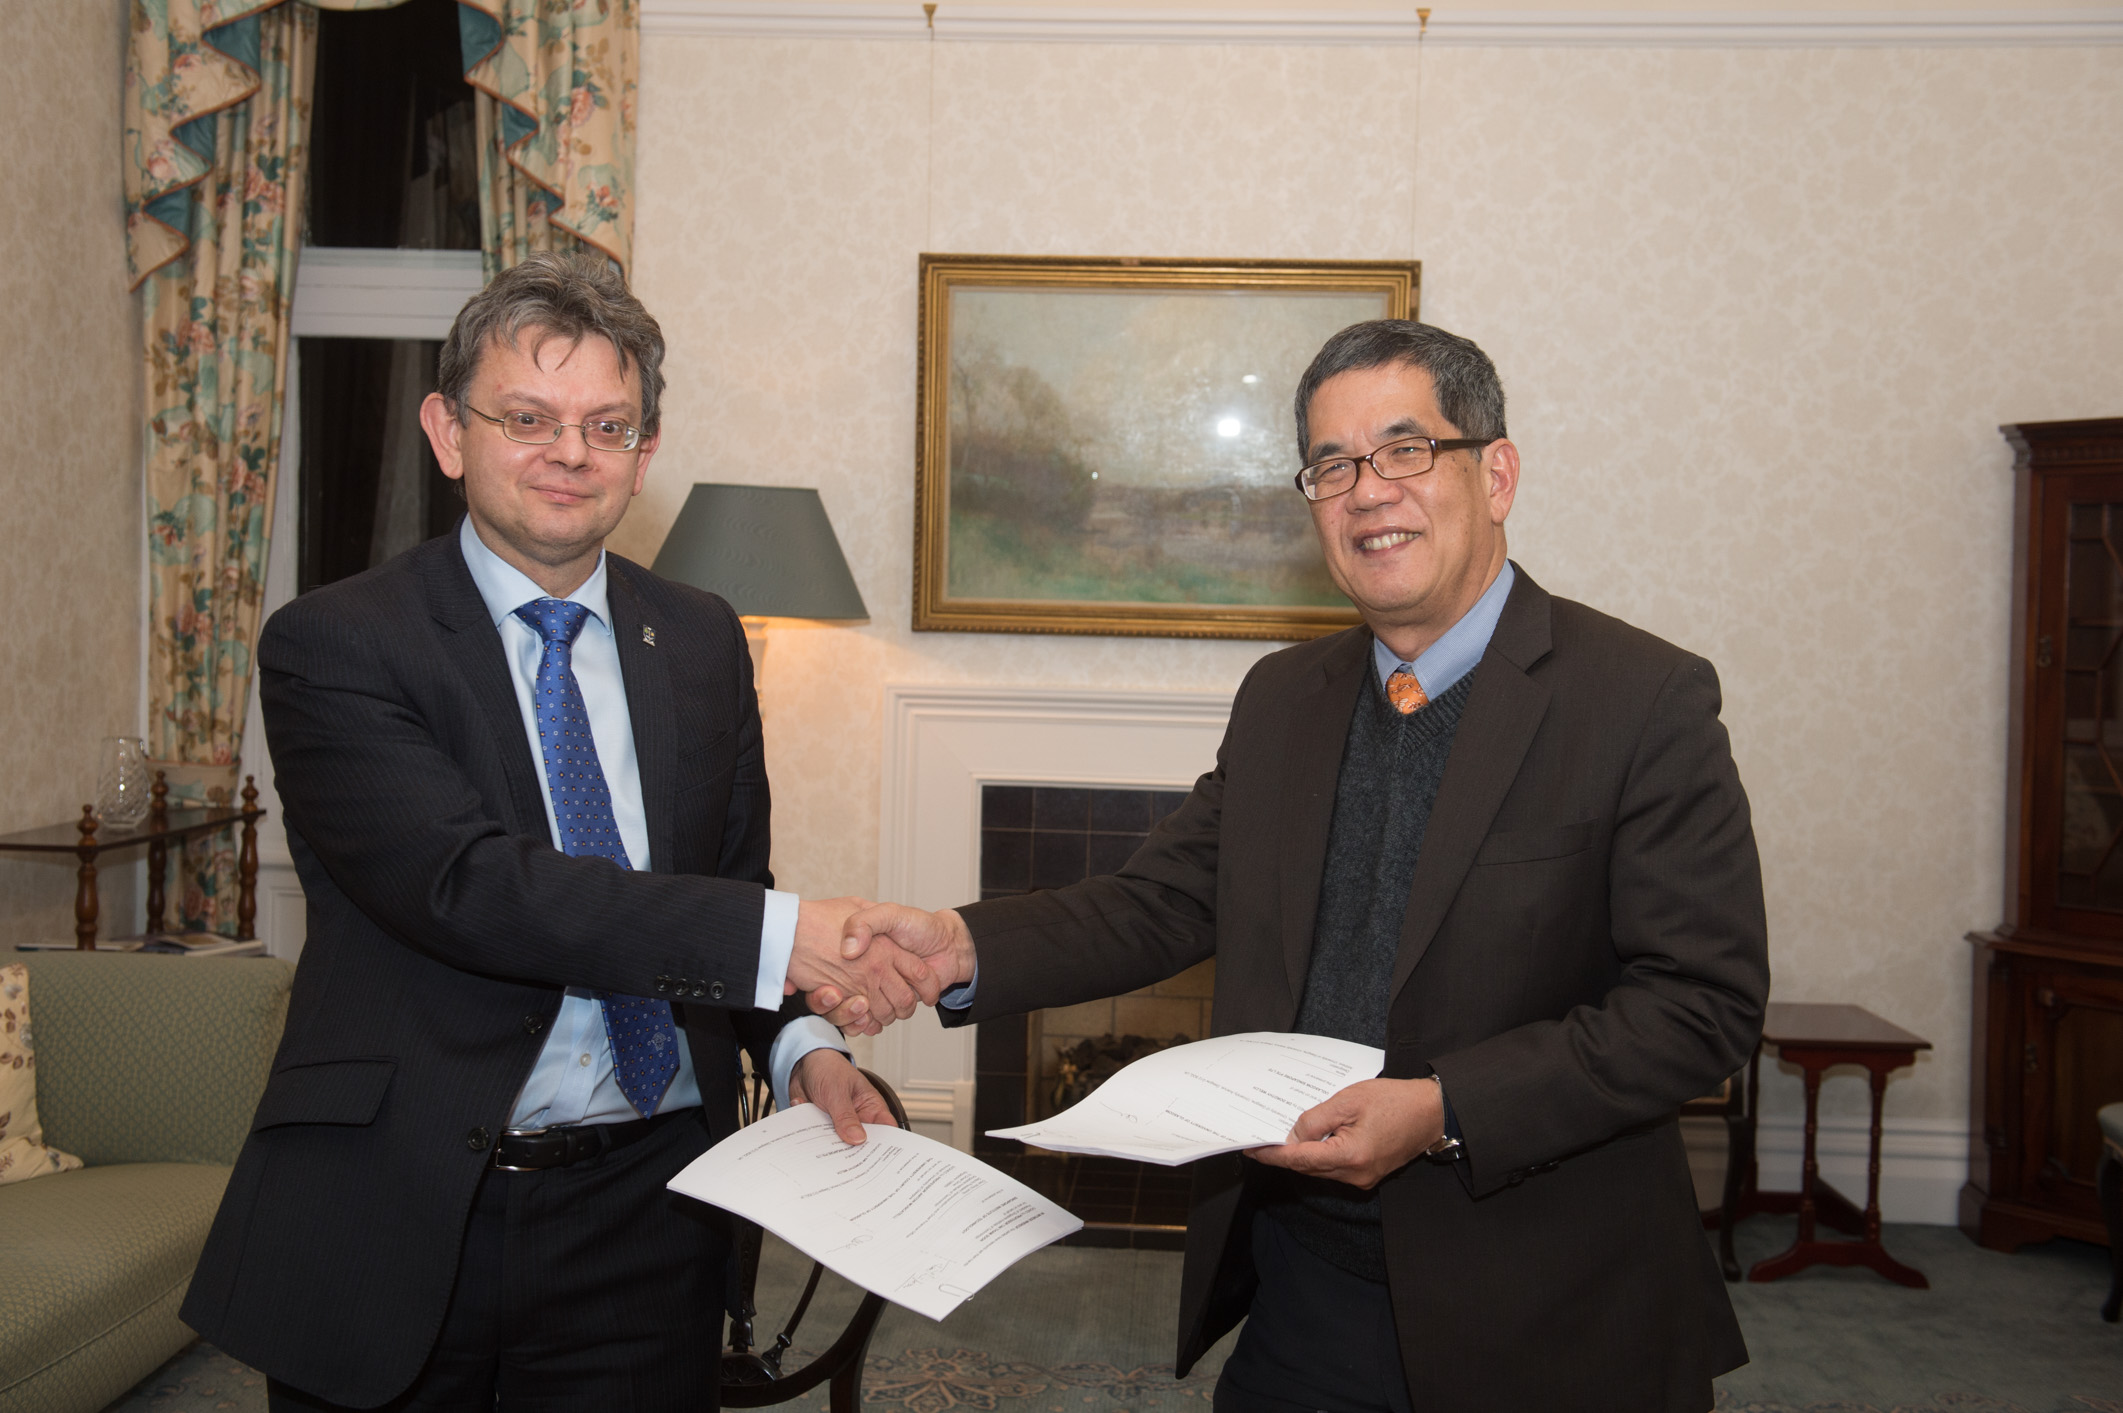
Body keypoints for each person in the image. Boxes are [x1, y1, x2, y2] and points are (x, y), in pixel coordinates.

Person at [828, 321, 1771, 1412]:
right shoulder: (1284, 699)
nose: (1366, 491)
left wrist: (1441, 1107)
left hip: (1549, 1306)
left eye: (1404, 451)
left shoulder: (1638, 700)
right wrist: (961, 945)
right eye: (1330, 465)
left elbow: (1699, 1004)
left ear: (1496, 473)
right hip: (1304, 1289)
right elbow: (1157, 901)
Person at [182, 253, 932, 1412]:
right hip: (405, 1201)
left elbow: (726, 888)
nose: (568, 453)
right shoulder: (337, 642)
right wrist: (791, 934)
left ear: (646, 451)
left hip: (647, 1210)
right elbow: (471, 888)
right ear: (447, 431)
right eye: (526, 418)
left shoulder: (697, 638)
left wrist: (801, 1050)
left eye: (605, 424)